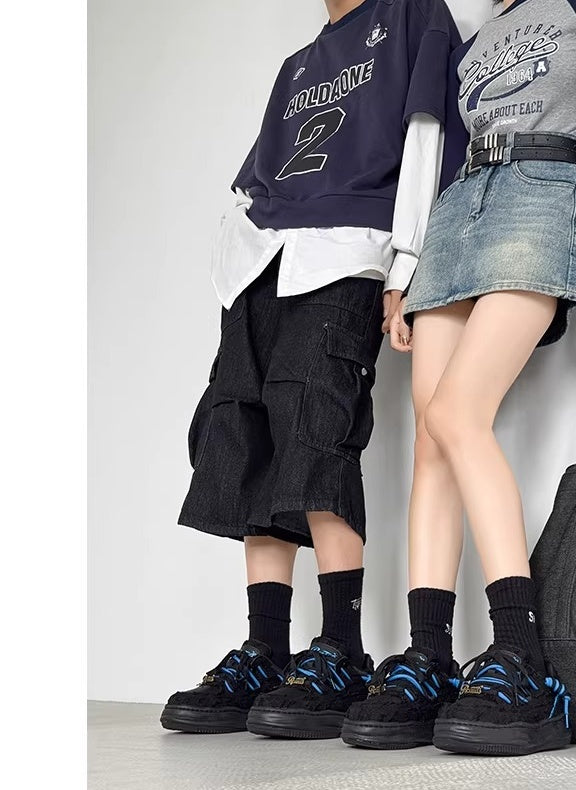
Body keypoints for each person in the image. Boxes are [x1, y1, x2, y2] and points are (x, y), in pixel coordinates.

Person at [343, 0, 576, 755]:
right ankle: (429, 658)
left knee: (458, 413)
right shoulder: (468, 37)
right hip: (459, 211)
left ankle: (522, 654)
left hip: (543, 189)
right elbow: (447, 153)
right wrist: (405, 273)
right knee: (431, 435)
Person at [160, 0, 460, 738]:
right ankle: (267, 647)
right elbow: (251, 182)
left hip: (345, 256)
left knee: (318, 436)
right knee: (244, 438)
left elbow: (427, 139)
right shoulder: (296, 66)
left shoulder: (413, 15)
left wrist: (408, 262)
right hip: (260, 267)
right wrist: (233, 259)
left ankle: (341, 649)